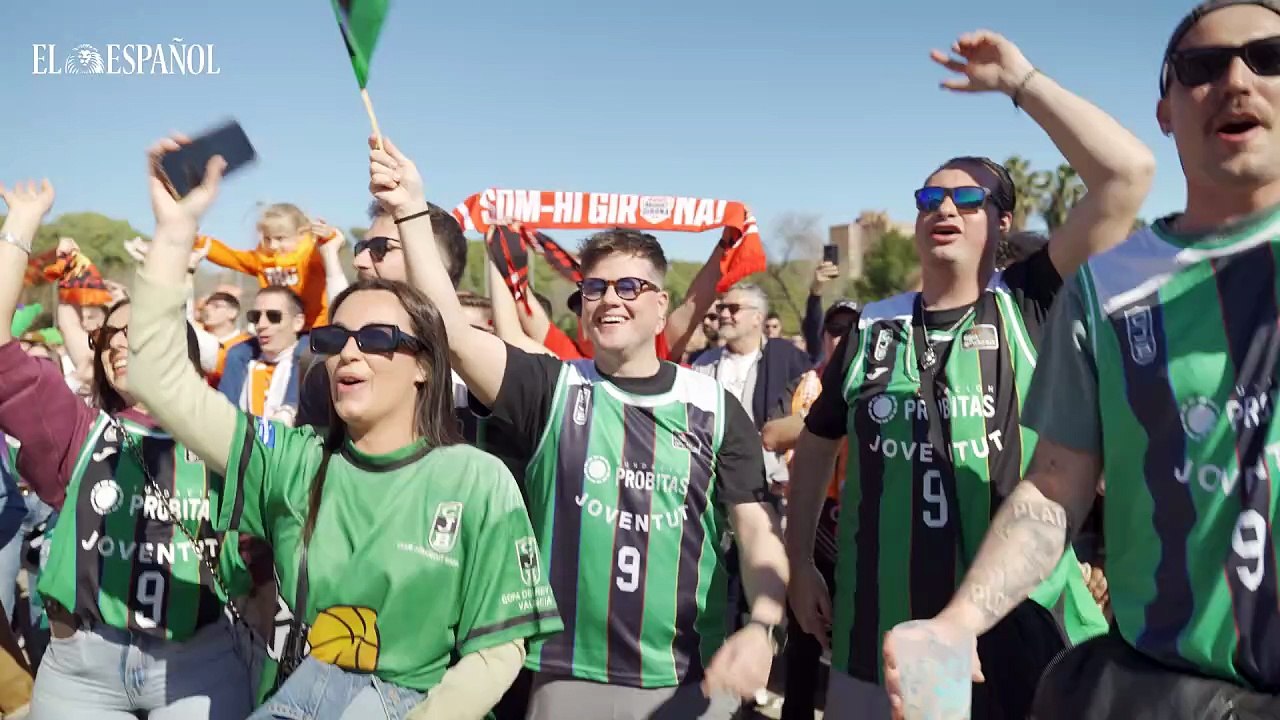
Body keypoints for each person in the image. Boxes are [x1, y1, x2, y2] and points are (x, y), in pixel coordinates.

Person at [886, 4, 1280, 718]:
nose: (1237, 80)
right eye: (1202, 66)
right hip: (1170, 691)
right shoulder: (1111, 285)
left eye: (1270, 57)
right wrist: (957, 624)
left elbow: (1122, 172)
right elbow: (1054, 486)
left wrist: (1023, 80)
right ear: (1166, 109)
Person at [786, 30, 1155, 719]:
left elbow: (1126, 174)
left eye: (968, 198)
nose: (943, 210)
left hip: (1016, 637)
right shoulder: (871, 326)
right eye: (929, 199)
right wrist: (803, 558)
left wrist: (1022, 84)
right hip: (878, 639)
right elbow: (814, 446)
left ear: (1004, 222)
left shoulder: (1032, 298)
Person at [128, 135, 562, 720]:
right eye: (334, 339)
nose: (350, 354)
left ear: (425, 365)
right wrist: (175, 231)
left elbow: (498, 651)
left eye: (379, 338)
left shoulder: (477, 479)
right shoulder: (293, 459)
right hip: (296, 690)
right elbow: (157, 378)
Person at [369, 134, 788, 719]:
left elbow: (756, 531)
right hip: (566, 671)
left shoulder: (716, 407)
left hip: (690, 673)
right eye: (593, 288)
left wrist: (764, 624)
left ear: (662, 306)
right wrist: (412, 208)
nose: (609, 299)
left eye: (629, 287)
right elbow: (455, 335)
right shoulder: (553, 386)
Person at [0, 179, 256, 719]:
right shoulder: (76, 427)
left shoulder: (232, 435)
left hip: (199, 664)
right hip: (81, 673)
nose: (119, 341)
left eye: (136, 331)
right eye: (108, 338)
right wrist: (22, 222)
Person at [195, 203, 342, 330]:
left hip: (311, 328)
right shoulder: (262, 260)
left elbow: (327, 250)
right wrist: (197, 241)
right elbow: (231, 257)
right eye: (267, 238)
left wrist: (328, 236)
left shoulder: (310, 256)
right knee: (239, 352)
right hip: (277, 329)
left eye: (280, 238)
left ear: (301, 234)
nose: (273, 245)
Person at [219, 287, 306, 424]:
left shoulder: (312, 366)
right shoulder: (240, 360)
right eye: (255, 317)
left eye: (273, 316)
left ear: (298, 322)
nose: (261, 325)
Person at [199, 291, 250, 388]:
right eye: (206, 306)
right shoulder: (195, 337)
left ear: (232, 313)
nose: (208, 310)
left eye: (216, 306)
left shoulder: (246, 344)